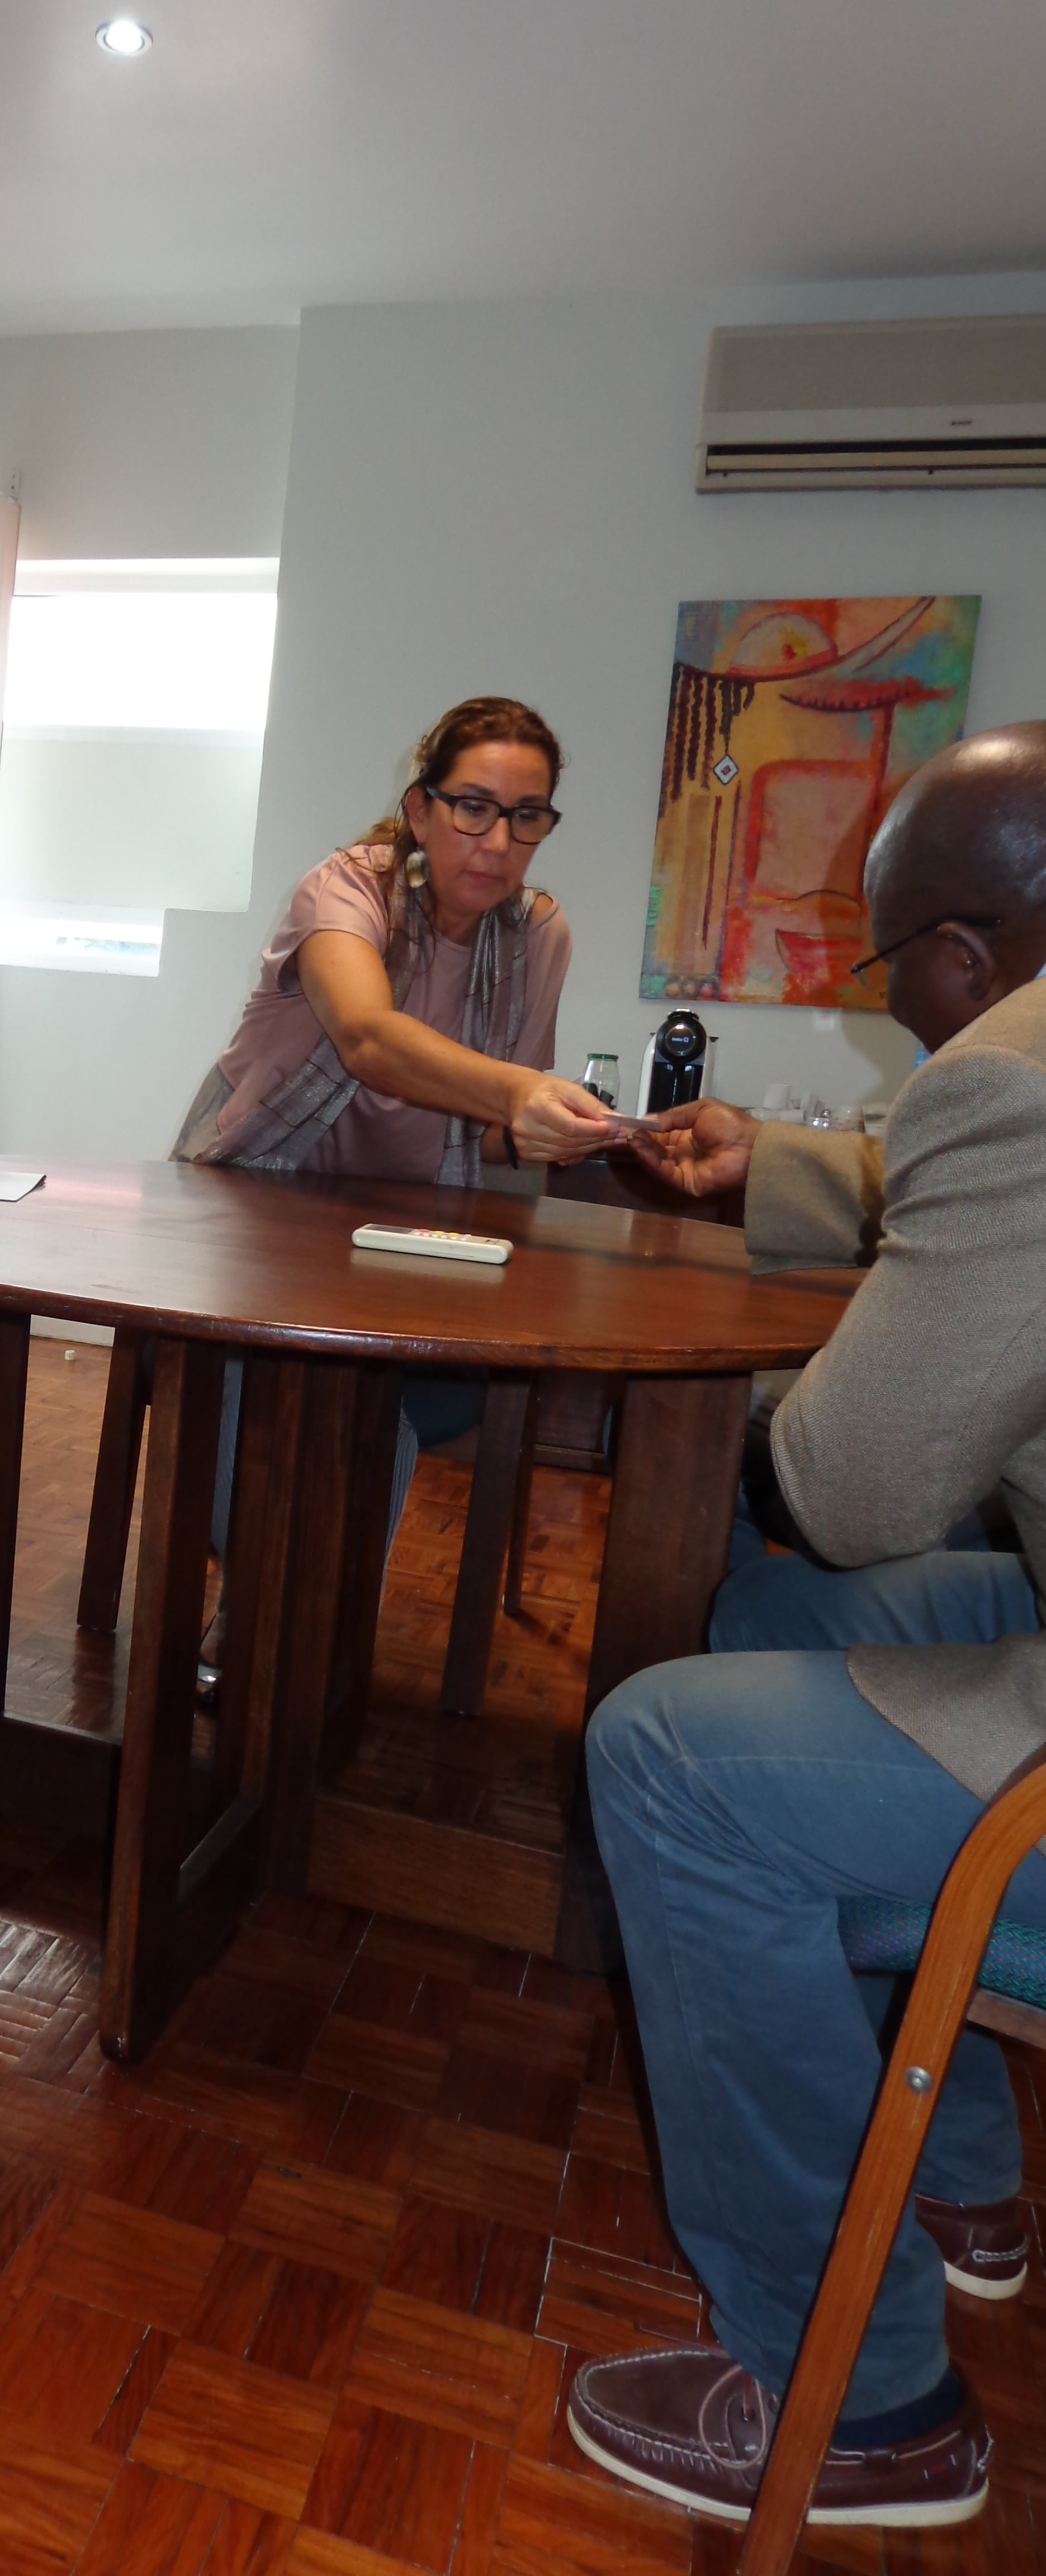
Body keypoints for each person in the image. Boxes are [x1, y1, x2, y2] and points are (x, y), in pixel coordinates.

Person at [567, 722, 1046, 2532]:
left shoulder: (1008, 1077)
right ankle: (959, 2166)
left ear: (960, 957)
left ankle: (864, 2401)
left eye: (881, 958)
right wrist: (778, 1158)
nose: (885, 997)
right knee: (777, 1618)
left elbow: (852, 1485)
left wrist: (787, 1412)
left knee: (670, 1752)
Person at [172, 695, 617, 1588]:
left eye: (527, 817)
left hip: (404, 1242)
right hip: (252, 1208)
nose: (497, 842)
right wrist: (520, 1093)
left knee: (377, 1403)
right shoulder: (345, 889)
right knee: (269, 1381)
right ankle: (270, 1608)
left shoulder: (539, 936)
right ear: (421, 810)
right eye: (473, 808)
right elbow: (368, 1039)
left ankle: (307, 1616)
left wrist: (577, 1136)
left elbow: (491, 1139)